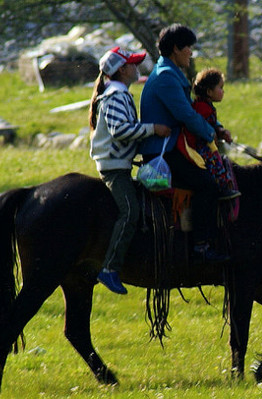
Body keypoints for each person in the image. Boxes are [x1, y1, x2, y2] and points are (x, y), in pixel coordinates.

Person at [138, 24, 230, 263]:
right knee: (208, 185)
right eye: (188, 47)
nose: (191, 52)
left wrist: (215, 130)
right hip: (163, 152)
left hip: (172, 147)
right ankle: (202, 246)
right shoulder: (166, 78)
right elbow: (186, 115)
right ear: (177, 49)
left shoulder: (168, 73)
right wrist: (210, 135)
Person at [89, 46, 171, 294]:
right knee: (130, 211)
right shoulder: (116, 95)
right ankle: (110, 269)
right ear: (122, 70)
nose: (137, 68)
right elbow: (120, 131)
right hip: (114, 169)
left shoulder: (120, 92)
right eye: (133, 64)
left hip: (120, 164)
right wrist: (153, 129)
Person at [177, 68, 240, 198]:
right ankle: (221, 189)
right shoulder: (202, 108)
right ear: (209, 91)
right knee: (215, 162)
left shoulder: (205, 106)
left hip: (204, 144)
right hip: (200, 146)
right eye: (220, 87)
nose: (223, 91)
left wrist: (220, 130)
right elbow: (200, 128)